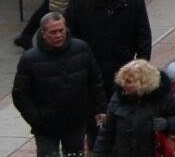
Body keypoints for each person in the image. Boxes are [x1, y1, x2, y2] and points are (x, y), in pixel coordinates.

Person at [12, 12, 107, 157]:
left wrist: (99, 108)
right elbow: (20, 94)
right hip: (46, 127)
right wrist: (36, 120)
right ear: (43, 33)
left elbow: (95, 81)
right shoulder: (29, 59)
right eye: (53, 32)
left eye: (61, 30)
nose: (58, 35)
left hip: (75, 122)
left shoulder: (81, 49)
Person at [64, 0, 152, 101]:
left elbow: (143, 34)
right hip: (90, 65)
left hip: (122, 66)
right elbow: (70, 32)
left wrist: (141, 65)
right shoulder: (81, 0)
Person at [92, 59, 175, 157]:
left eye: (129, 81)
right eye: (123, 80)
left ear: (143, 83)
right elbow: (106, 133)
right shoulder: (118, 98)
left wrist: (167, 123)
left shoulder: (162, 98)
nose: (124, 85)